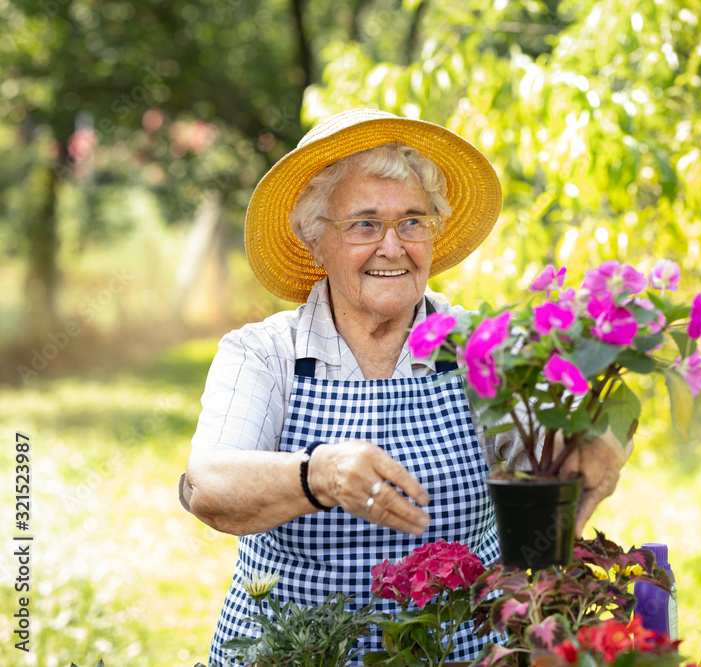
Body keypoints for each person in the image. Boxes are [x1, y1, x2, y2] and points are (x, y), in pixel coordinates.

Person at [178, 108, 628, 666]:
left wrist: (603, 437)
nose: (393, 246)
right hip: (297, 656)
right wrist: (320, 473)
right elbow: (207, 486)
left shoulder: (480, 348)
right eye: (365, 224)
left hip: (461, 655)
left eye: (412, 221)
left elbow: (573, 432)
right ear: (315, 242)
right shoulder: (266, 353)